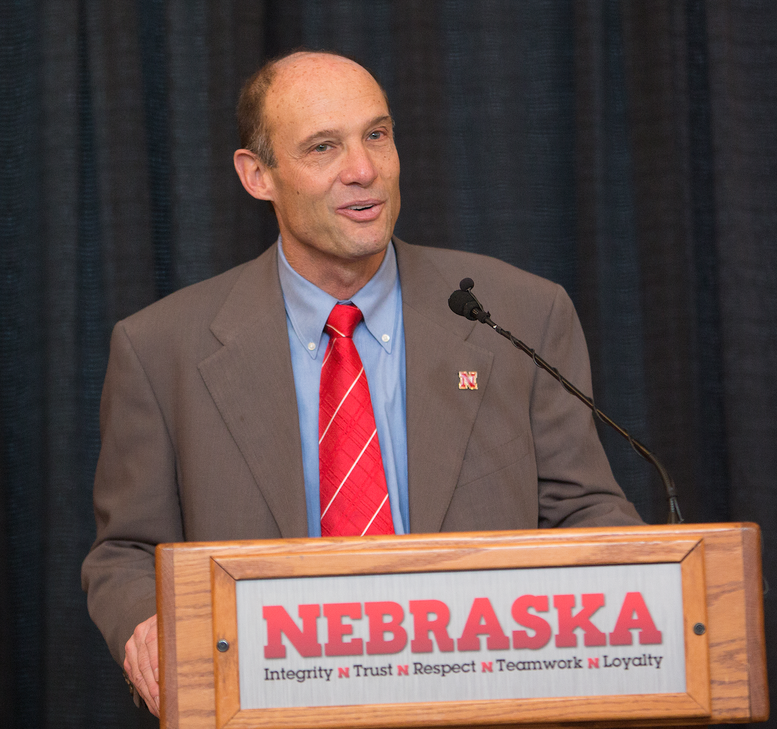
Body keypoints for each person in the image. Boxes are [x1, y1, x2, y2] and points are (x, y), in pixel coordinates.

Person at [80, 50, 641, 716]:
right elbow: (125, 551)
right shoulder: (159, 348)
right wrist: (146, 619)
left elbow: (585, 514)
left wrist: (649, 590)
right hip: (269, 705)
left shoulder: (518, 313)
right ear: (257, 175)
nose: (364, 170)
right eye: (324, 147)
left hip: (485, 700)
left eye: (377, 134)